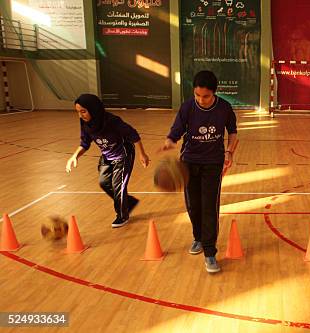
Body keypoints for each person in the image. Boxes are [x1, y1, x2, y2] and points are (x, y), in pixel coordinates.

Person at [160, 70, 237, 273]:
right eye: (197, 95)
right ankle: (198, 238)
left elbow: (233, 133)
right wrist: (170, 140)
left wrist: (229, 152)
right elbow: (176, 130)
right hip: (189, 162)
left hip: (213, 163)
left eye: (206, 96)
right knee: (193, 206)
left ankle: (210, 253)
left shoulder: (225, 108)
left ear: (214, 93)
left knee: (209, 207)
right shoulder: (187, 107)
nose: (201, 100)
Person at [66, 94, 150, 228]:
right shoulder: (85, 123)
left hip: (123, 155)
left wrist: (142, 154)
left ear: (93, 109)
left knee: (118, 186)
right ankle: (129, 202)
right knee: (104, 182)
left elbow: (133, 134)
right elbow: (85, 143)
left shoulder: (112, 121)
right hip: (107, 156)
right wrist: (75, 156)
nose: (80, 115)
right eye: (78, 112)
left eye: (83, 111)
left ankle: (122, 216)